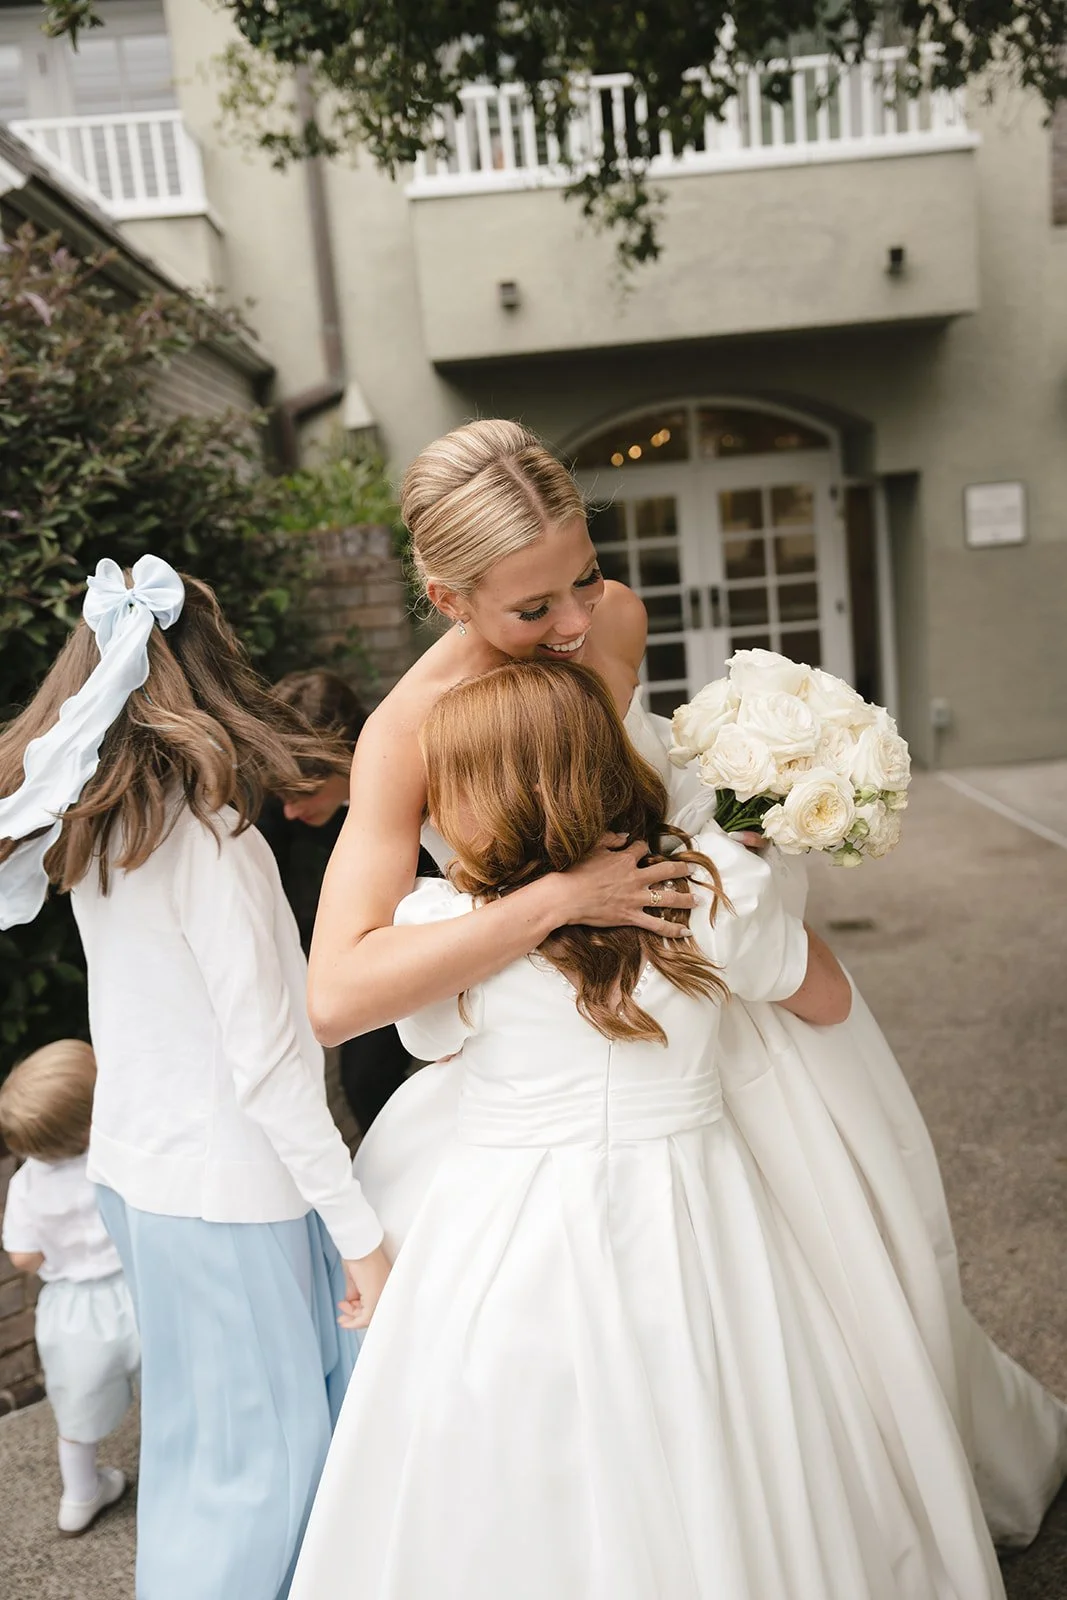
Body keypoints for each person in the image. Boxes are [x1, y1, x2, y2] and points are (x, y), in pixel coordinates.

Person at [308, 418, 1067, 1548]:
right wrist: (556, 902)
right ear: (444, 596)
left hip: (710, 1000)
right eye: (532, 610)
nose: (576, 622)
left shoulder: (612, 620)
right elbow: (338, 990)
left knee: (842, 1294)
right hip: (561, 1033)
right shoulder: (406, 732)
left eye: (586, 575)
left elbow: (642, 789)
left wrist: (750, 839)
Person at [291, 659, 1010, 1600]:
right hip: (697, 1204)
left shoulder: (446, 926)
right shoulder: (709, 891)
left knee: (509, 1443)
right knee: (726, 1417)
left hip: (508, 1228)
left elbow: (431, 1043)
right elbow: (826, 1002)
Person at [0, 556, 389, 1600]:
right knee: (267, 1469)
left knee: (200, 1456)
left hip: (142, 1182)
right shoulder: (213, 848)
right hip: (230, 1194)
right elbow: (269, 1066)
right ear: (217, 676)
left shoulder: (99, 836)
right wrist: (360, 1232)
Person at [258, 668, 433, 1135]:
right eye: (283, 798)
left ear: (346, 755)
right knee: (361, 1083)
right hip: (323, 945)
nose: (291, 811)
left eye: (307, 794)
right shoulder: (281, 799)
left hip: (412, 930)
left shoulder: (407, 771)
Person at [0, 1039, 139, 1537]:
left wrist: (51, 1253)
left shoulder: (26, 1186)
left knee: (76, 1410)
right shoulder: (117, 1158)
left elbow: (22, 1256)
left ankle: (80, 1495)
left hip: (75, 1315)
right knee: (170, 1388)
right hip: (141, 1291)